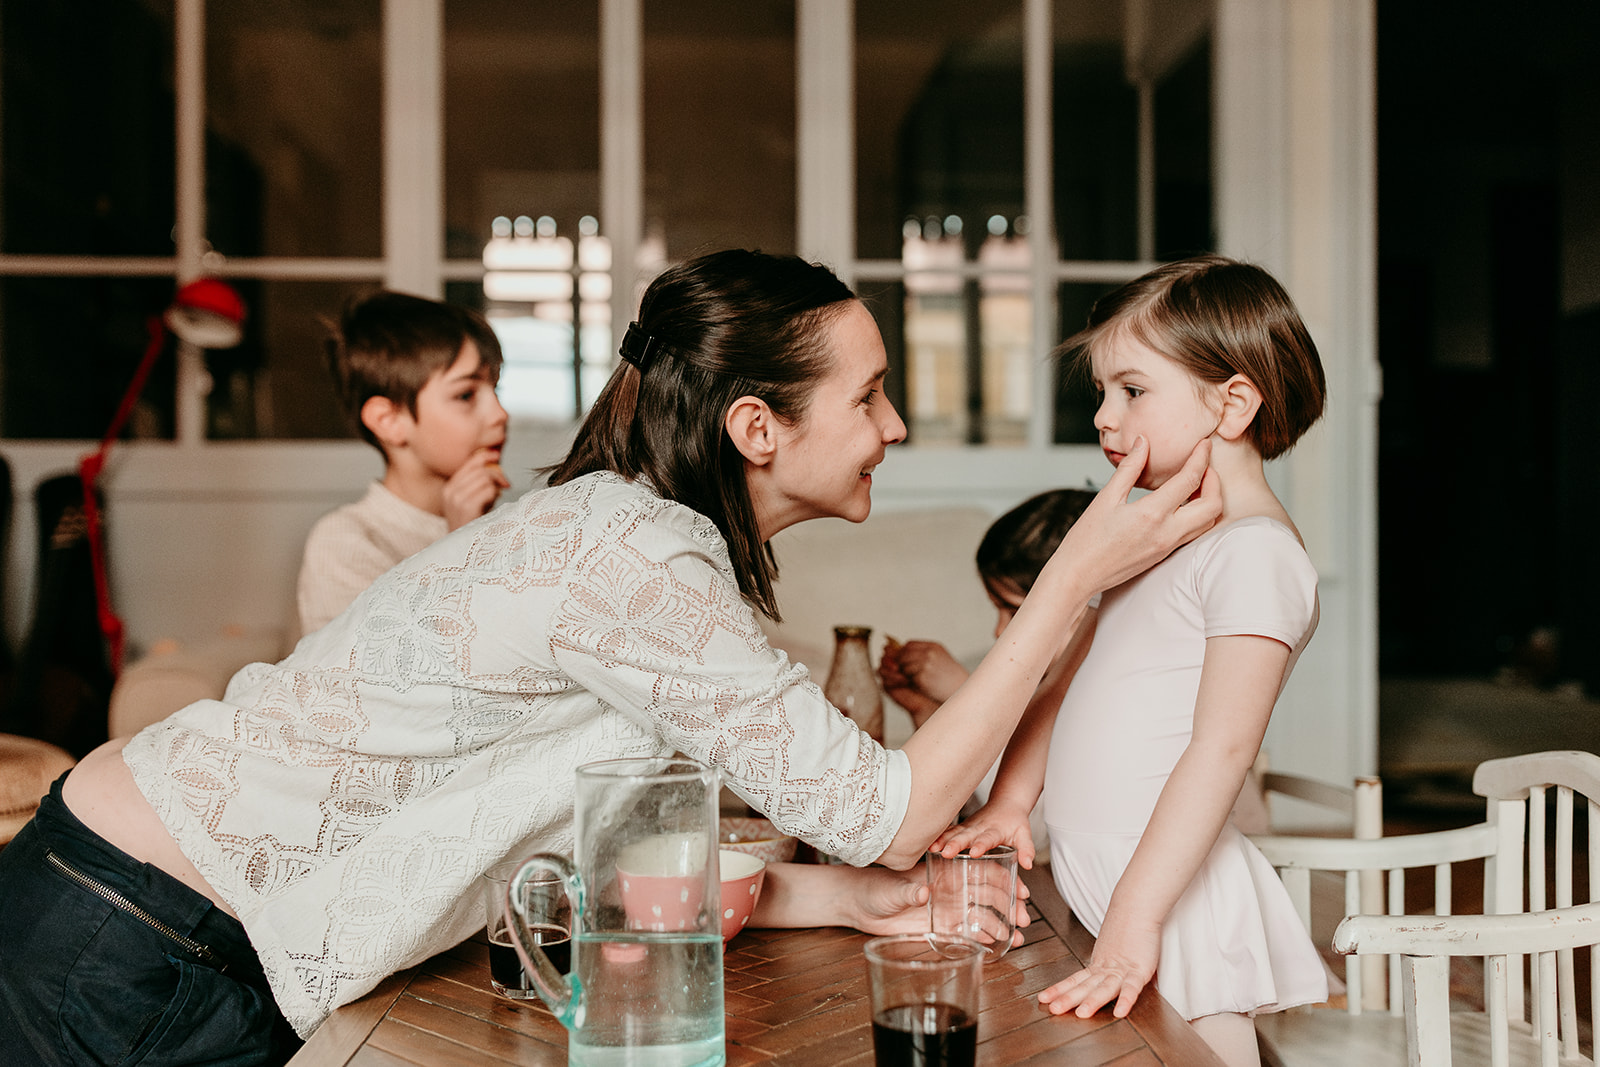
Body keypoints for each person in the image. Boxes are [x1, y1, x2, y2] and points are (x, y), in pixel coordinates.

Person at [0, 249, 1221, 1065]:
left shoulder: (635, 537)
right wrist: (1075, 578)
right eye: (871, 396)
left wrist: (861, 900)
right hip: (129, 939)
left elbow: (635, 852)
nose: (894, 426)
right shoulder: (635, 554)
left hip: (151, 926)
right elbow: (886, 811)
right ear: (756, 426)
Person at [934, 254, 1328, 1067]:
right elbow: (1069, 672)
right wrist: (1011, 800)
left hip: (1173, 892)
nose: (1105, 418)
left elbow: (1221, 749)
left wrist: (1138, 919)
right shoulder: (1159, 532)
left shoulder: (1255, 555)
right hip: (1104, 870)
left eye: (1133, 390)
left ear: (1234, 403)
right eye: (1103, 393)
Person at [295, 290, 512, 637]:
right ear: (389, 420)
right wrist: (461, 545)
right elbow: (382, 678)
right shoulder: (346, 542)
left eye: (496, 389)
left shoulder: (508, 520)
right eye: (466, 395)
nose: (500, 414)